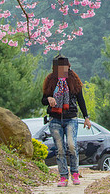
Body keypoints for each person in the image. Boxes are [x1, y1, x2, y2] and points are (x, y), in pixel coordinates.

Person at [42, 55, 91, 187]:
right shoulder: (50, 80)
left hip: (71, 118)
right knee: (60, 149)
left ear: (68, 66)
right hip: (55, 119)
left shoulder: (73, 80)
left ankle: (75, 173)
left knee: (71, 145)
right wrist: (49, 100)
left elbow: (81, 100)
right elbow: (43, 99)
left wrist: (86, 117)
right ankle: (63, 176)